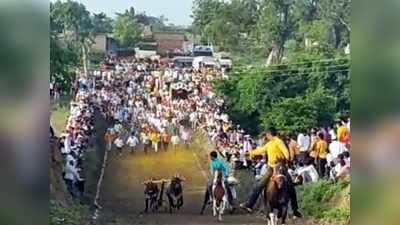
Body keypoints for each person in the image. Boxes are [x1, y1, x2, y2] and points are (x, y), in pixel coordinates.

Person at [240, 128, 302, 218]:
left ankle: (295, 209)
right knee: (259, 185)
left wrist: (283, 159)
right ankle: (249, 204)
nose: (266, 136)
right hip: (271, 168)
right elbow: (260, 150)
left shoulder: (278, 142)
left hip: (281, 167)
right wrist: (249, 153)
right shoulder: (269, 143)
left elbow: (286, 153)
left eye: (267, 135)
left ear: (269, 134)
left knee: (290, 186)